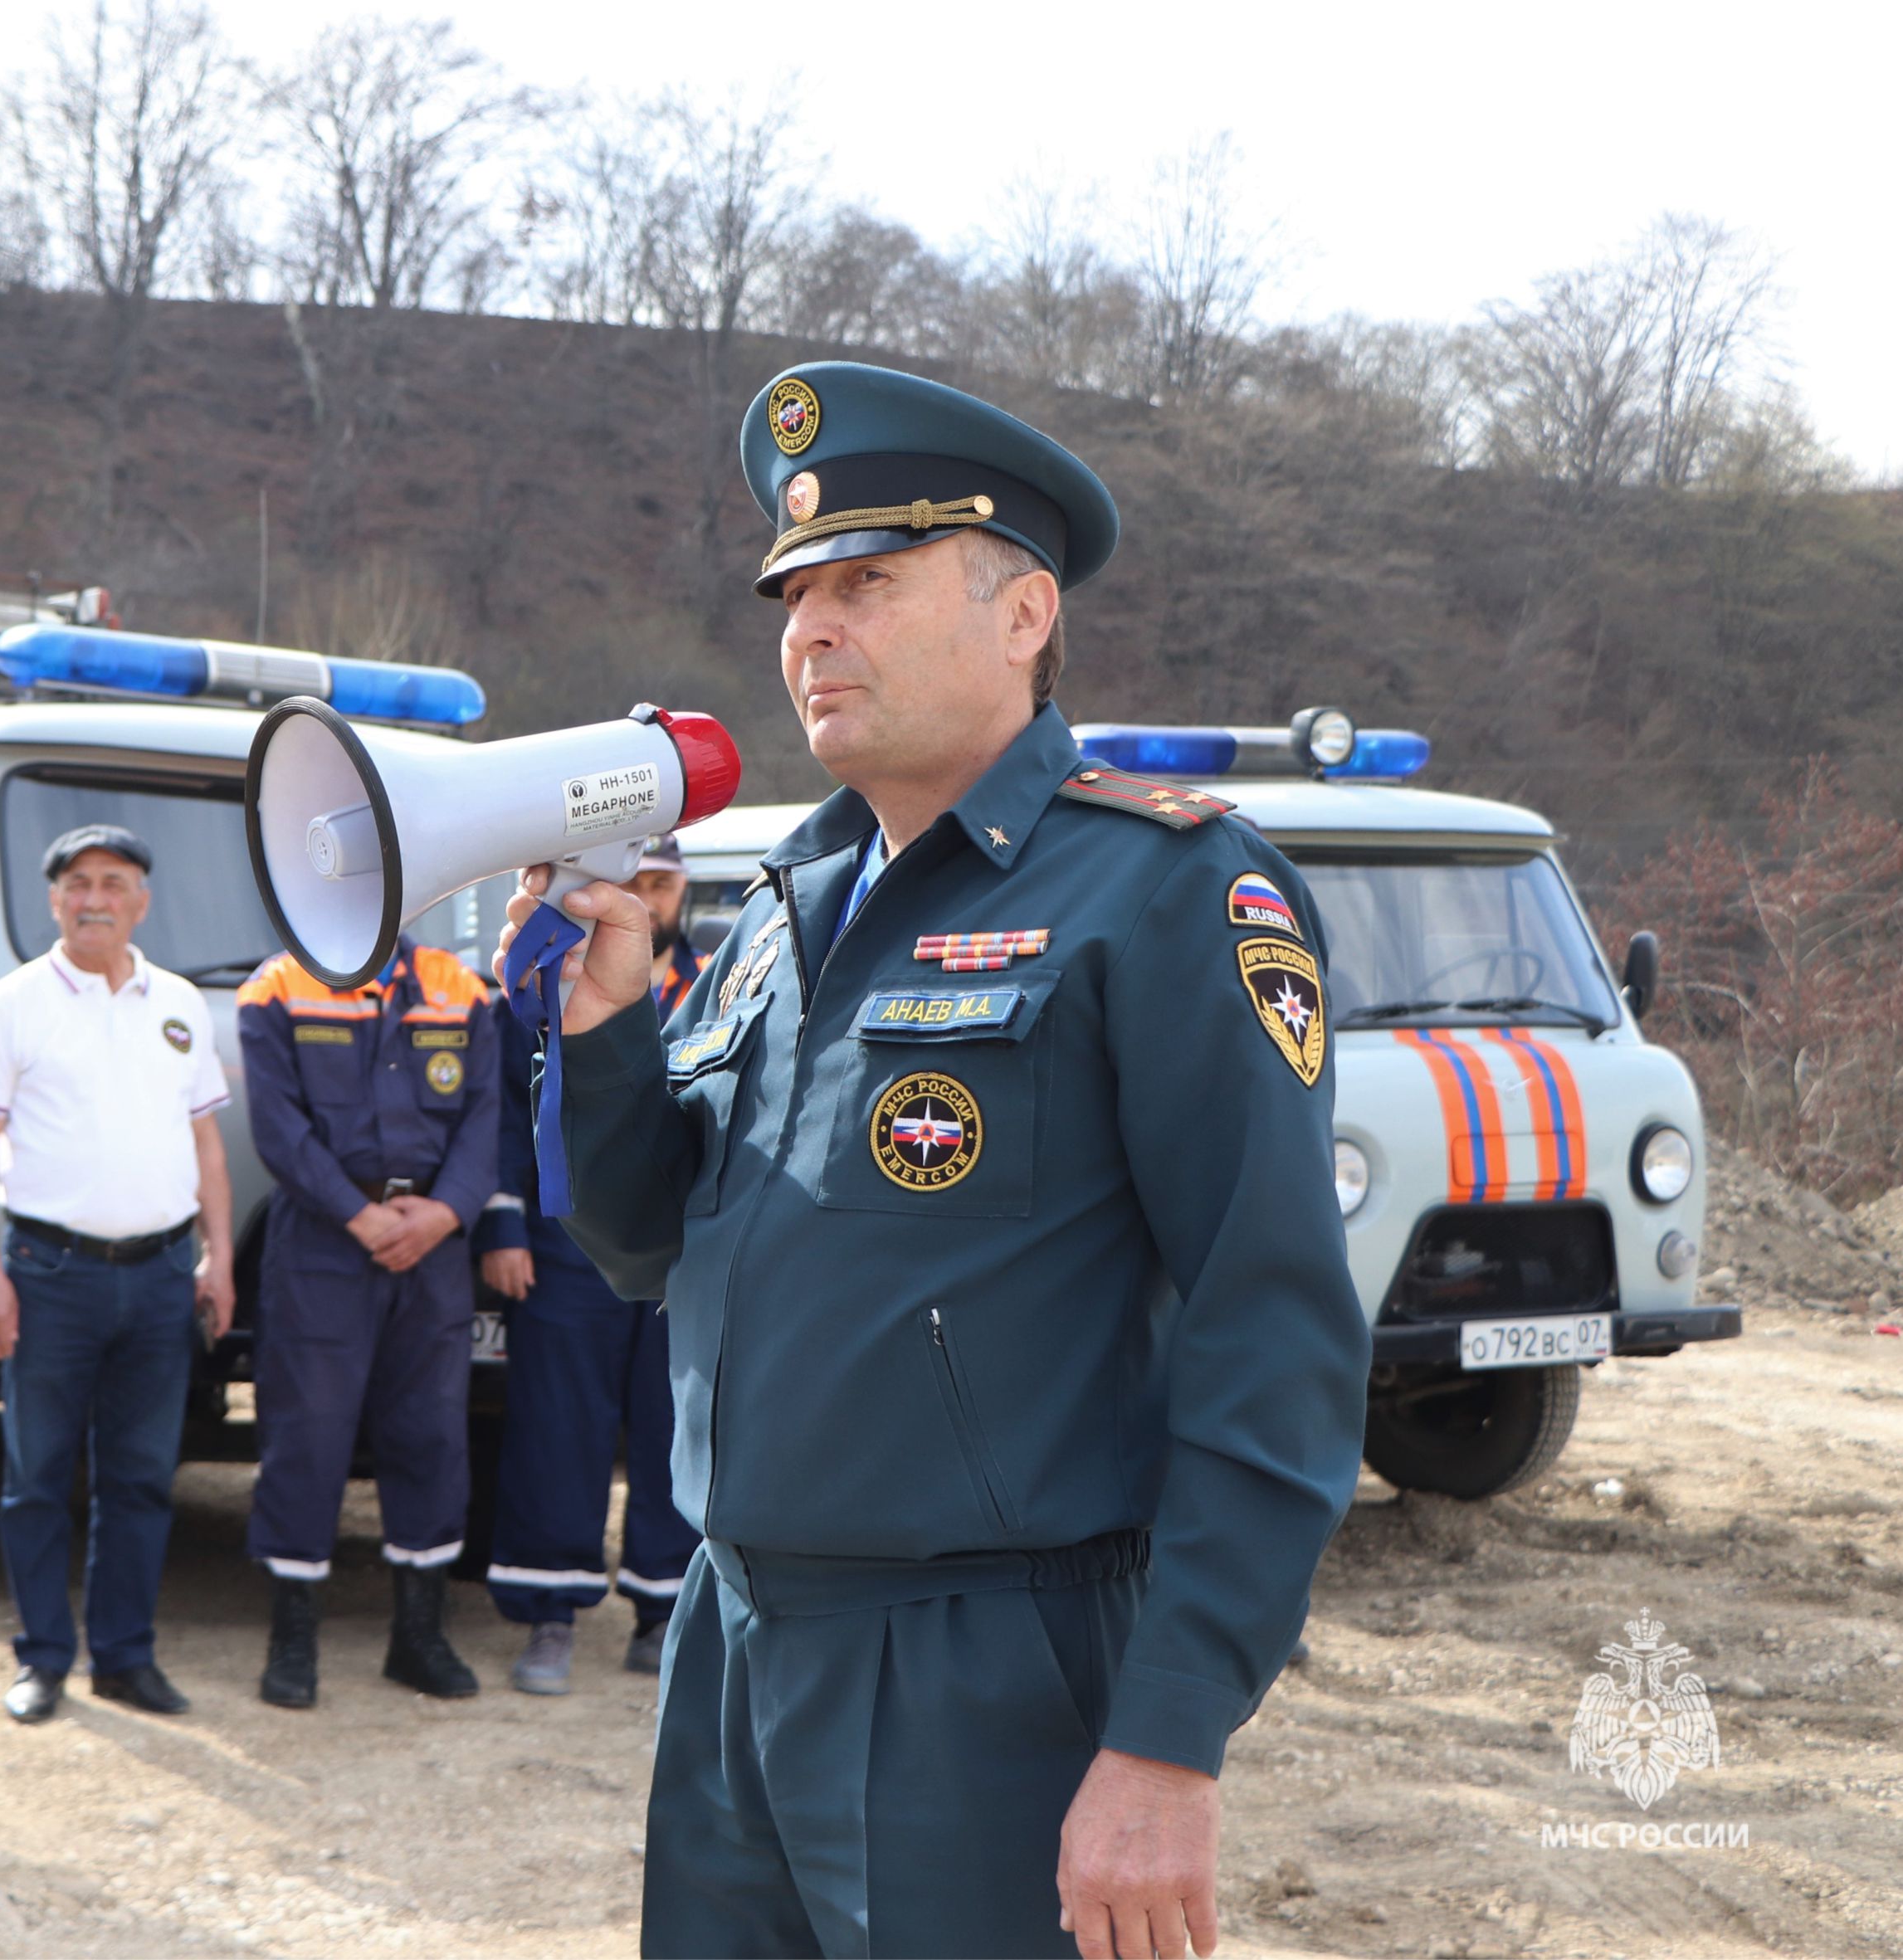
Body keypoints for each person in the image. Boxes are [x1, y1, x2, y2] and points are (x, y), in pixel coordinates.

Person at [506, 362, 1368, 1959]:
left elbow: (1276, 1331)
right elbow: (640, 1248)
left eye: (867, 583)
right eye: (794, 594)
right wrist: (610, 1024)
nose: (809, 630)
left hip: (985, 1671)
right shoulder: (784, 899)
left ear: (1023, 613)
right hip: (734, 1635)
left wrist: (1168, 1736)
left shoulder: (1164, 890)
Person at [0, 824, 236, 1725]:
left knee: (143, 1476)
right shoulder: (13, 1004)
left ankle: (124, 1657)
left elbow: (206, 1143)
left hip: (157, 1279)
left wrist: (220, 1254)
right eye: (77, 883)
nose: (95, 898)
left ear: (142, 901)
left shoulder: (180, 1003)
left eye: (114, 882)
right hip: (48, 1274)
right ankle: (42, 1661)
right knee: (38, 1476)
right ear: (55, 900)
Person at [237, 929, 498, 1709]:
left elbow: (488, 1118)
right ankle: (292, 1642)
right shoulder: (277, 987)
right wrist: (358, 1214)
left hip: (432, 1249)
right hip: (323, 1243)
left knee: (430, 1435)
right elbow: (279, 1128)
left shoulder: (460, 986)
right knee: (305, 1437)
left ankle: (418, 1638)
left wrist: (446, 1212)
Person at [476, 836, 700, 1694]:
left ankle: (661, 1606)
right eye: (635, 881)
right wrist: (502, 1226)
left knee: (671, 1424)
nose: (650, 895)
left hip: (680, 1246)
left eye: (664, 882)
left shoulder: (723, 979)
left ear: (683, 890)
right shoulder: (549, 976)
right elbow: (501, 1106)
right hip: (565, 1241)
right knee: (556, 1423)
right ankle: (549, 1611)